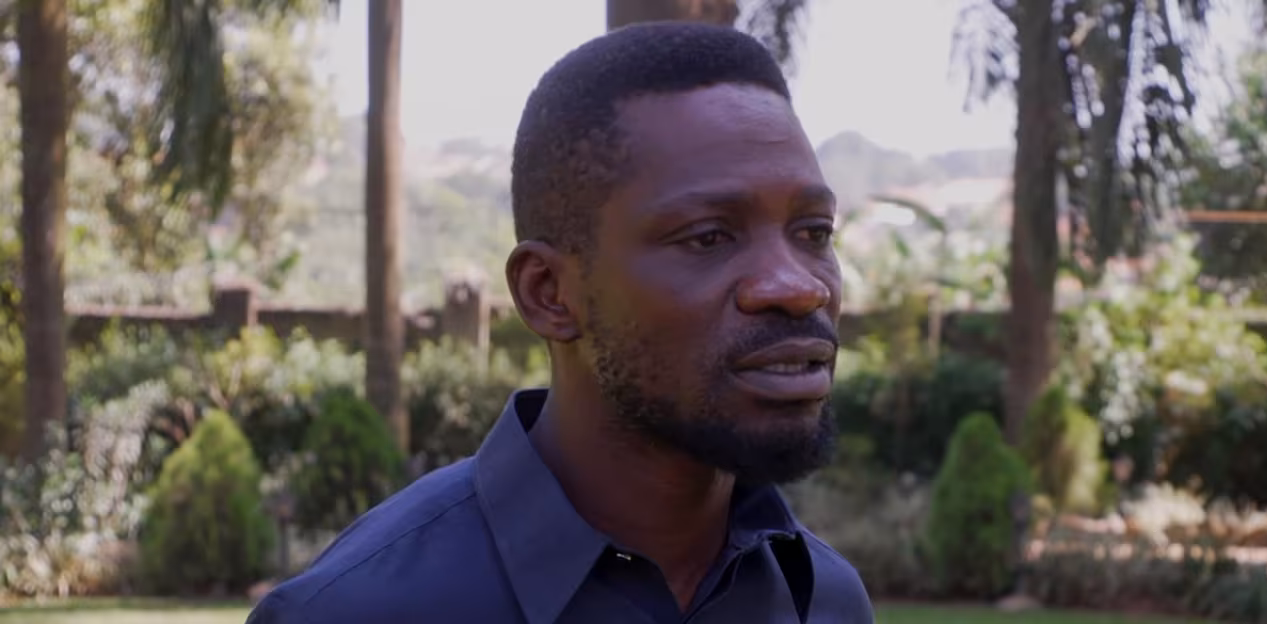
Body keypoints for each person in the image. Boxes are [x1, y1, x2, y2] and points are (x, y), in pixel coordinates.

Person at [246, 21, 874, 624]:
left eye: (814, 233)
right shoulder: (351, 613)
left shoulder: (823, 601)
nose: (800, 287)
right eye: (709, 237)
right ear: (548, 294)